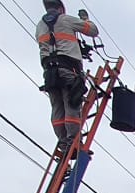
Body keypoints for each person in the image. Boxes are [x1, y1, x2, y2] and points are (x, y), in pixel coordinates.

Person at [36, 2, 98, 153]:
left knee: (57, 108)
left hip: (49, 73)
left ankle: (63, 141)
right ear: (60, 9)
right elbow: (93, 30)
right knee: (72, 104)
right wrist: (85, 19)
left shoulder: (39, 26)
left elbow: (52, 43)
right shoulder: (65, 19)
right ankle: (73, 141)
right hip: (68, 69)